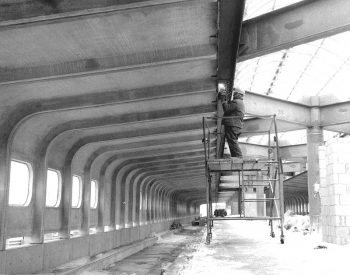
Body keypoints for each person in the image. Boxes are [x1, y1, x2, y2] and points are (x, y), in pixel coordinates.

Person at [219, 87, 245, 158]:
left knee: (232, 141)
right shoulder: (240, 103)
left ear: (240, 95)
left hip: (232, 124)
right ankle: (235, 157)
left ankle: (239, 157)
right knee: (232, 142)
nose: (234, 95)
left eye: (235, 93)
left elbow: (226, 108)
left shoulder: (236, 102)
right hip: (236, 125)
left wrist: (223, 99)